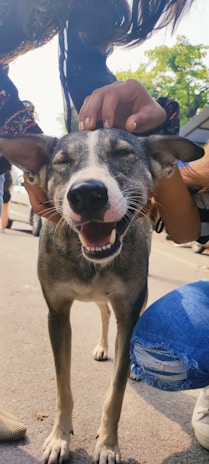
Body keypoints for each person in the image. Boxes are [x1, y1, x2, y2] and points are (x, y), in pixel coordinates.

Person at [0, 0, 199, 446]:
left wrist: (149, 120)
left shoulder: (83, 16)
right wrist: (20, 135)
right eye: (65, 165)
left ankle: (109, 420)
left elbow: (87, 72)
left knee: (125, 313)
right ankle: (64, 416)